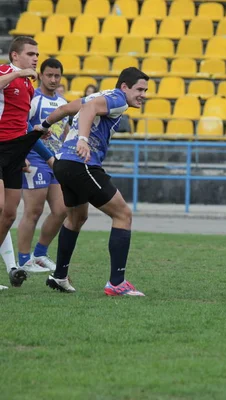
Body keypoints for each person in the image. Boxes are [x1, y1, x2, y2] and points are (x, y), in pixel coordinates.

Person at [33, 67, 149, 296]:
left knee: (76, 218)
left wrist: (43, 126)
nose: (143, 94)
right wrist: (83, 140)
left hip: (63, 164)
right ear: (124, 87)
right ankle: (117, 283)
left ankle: (59, 276)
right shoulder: (117, 99)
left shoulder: (100, 95)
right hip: (81, 164)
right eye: (140, 89)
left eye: (145, 90)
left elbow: (66, 108)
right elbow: (88, 109)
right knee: (123, 215)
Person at [15, 58, 69, 273]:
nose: (53, 79)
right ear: (41, 75)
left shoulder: (62, 102)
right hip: (35, 158)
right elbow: (21, 125)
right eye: (49, 75)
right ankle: (24, 260)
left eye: (57, 76)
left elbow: (63, 133)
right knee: (33, 211)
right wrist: (21, 156)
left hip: (55, 160)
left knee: (61, 209)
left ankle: (39, 253)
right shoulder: (33, 98)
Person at [0, 36, 45, 288]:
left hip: (15, 153)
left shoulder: (28, 86)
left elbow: (19, 122)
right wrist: (18, 74)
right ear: (15, 56)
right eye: (30, 53)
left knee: (9, 215)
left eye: (37, 54)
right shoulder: (6, 72)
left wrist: (30, 140)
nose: (35, 58)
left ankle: (9, 266)